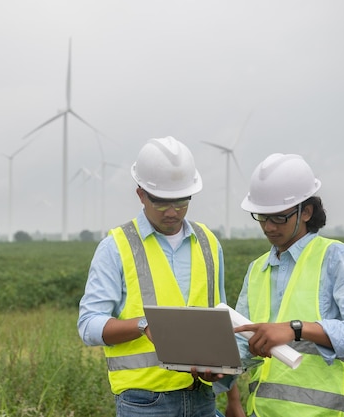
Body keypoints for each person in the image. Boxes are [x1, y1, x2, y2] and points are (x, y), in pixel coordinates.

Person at [77, 136, 234, 417]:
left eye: (182, 201)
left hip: (202, 398)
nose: (173, 212)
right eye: (162, 202)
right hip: (144, 404)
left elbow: (221, 322)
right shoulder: (116, 246)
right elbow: (88, 326)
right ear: (141, 194)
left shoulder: (209, 243)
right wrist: (144, 325)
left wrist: (229, 391)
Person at [229, 153, 344, 416]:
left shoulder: (335, 258)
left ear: (307, 212)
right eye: (262, 216)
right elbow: (244, 344)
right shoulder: (257, 269)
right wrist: (216, 367)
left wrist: (297, 329)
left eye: (278, 217)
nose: (268, 227)